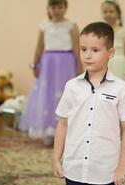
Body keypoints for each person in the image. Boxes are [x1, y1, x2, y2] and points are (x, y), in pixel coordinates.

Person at [52, 22, 125, 185]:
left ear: (110, 53)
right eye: (83, 49)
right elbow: (63, 124)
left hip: (106, 172)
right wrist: (56, 158)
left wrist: (122, 165)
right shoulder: (72, 86)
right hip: (74, 169)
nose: (88, 55)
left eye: (95, 50)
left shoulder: (121, 89)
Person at [18, 0, 81, 145]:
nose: (56, 10)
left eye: (60, 7)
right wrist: (35, 65)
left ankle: (66, 132)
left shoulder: (71, 25)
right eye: (53, 7)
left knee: (65, 94)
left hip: (66, 62)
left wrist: (79, 67)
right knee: (48, 94)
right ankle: (48, 130)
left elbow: (77, 47)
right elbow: (39, 46)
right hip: (48, 63)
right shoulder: (44, 25)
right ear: (49, 8)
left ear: (65, 8)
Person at [101, 0, 125, 80]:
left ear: (118, 14)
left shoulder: (124, 32)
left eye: (111, 11)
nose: (108, 14)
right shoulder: (100, 32)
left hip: (120, 66)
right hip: (104, 65)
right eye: (105, 12)